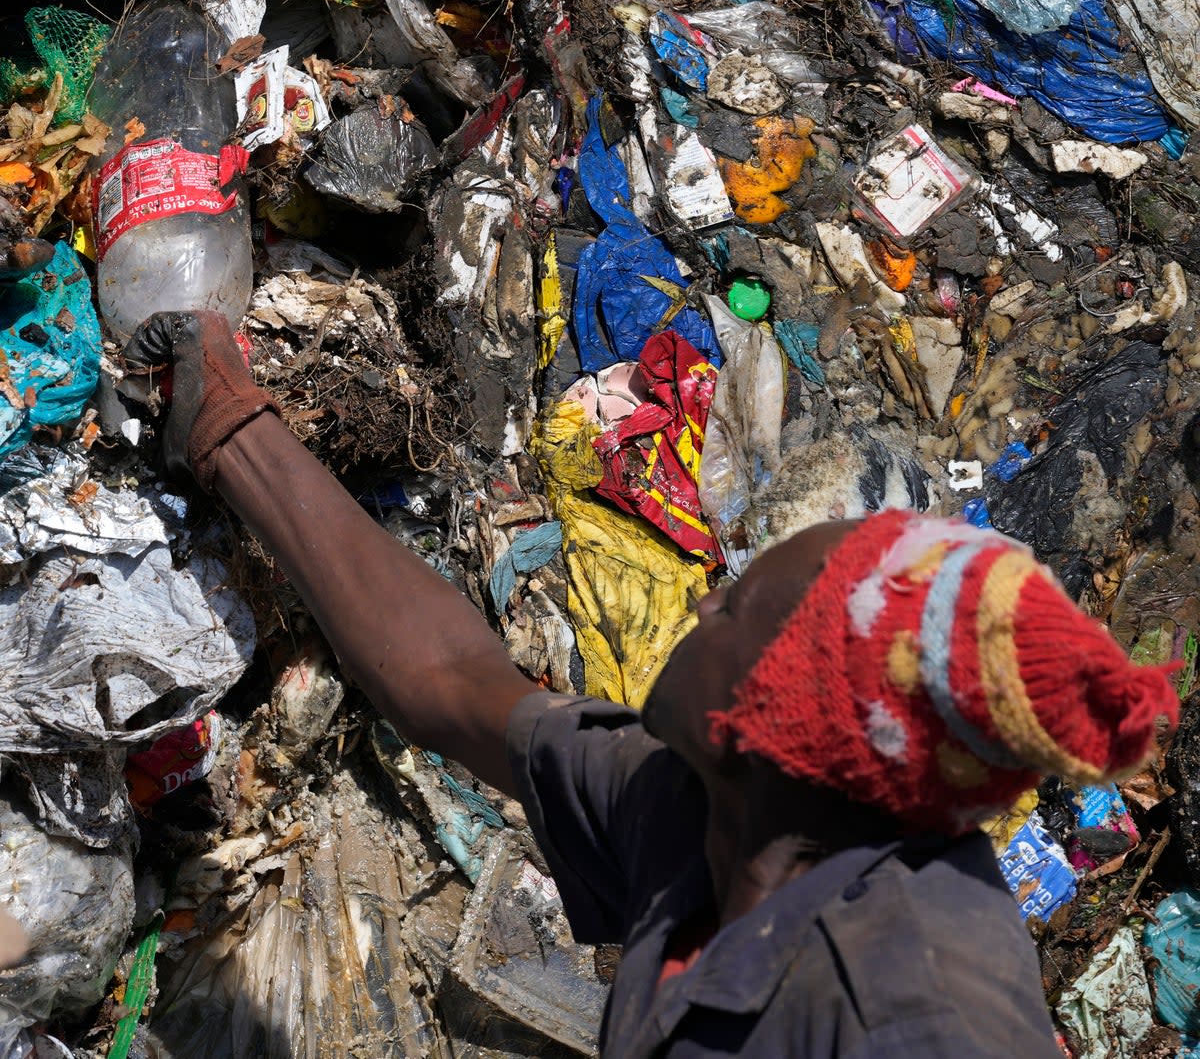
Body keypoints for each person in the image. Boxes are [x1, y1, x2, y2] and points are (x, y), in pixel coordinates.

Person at [125, 310, 1179, 1059]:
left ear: (777, 714)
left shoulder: (912, 1006)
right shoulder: (701, 806)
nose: (702, 606)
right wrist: (231, 426)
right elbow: (453, 680)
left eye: (733, 609)